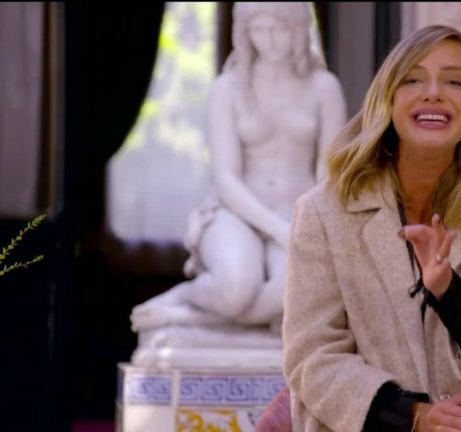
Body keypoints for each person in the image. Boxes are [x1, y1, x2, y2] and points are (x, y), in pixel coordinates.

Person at [283, 25, 461, 432]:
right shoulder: (322, 212)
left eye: (454, 81)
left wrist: (449, 292)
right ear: (388, 98)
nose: (433, 93)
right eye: (413, 80)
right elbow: (311, 357)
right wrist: (414, 416)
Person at [130, 2, 347, 333]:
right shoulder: (228, 88)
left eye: (279, 29)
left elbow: (329, 171)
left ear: (298, 29)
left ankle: (191, 315)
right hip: (235, 212)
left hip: (299, 212)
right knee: (236, 290)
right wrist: (278, 230)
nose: (269, 40)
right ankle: (191, 295)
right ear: (245, 33)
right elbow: (226, 178)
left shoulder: (323, 87)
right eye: (258, 29)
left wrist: (313, 228)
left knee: (294, 294)